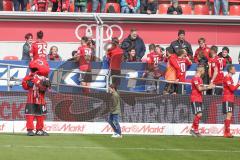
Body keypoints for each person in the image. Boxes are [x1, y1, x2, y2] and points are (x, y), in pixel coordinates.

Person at [22, 58, 51, 136]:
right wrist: (28, 84)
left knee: (41, 116)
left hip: (41, 99)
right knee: (30, 115)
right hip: (31, 99)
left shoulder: (45, 78)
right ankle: (30, 130)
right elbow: (24, 84)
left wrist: (39, 83)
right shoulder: (30, 76)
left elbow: (46, 88)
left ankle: (39, 130)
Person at [190, 66, 215, 137]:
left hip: (199, 98)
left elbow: (201, 88)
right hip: (195, 98)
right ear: (200, 71)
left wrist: (208, 87)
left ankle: (193, 129)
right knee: (199, 114)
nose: (204, 71)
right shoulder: (195, 78)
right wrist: (209, 87)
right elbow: (199, 89)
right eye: (204, 70)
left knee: (198, 115)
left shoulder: (200, 79)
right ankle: (195, 131)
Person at [222, 65, 240, 138]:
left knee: (229, 115)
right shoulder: (227, 78)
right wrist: (238, 84)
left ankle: (226, 132)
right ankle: (227, 133)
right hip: (227, 98)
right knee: (229, 115)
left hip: (230, 98)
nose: (235, 70)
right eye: (234, 69)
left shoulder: (230, 78)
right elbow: (232, 89)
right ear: (230, 70)